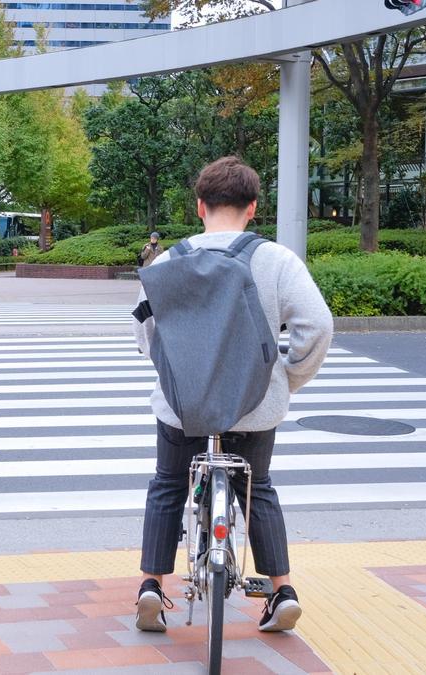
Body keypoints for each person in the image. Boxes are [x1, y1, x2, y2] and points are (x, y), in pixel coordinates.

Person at [132, 156, 333, 634]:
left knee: (167, 483)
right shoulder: (276, 259)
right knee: (256, 488)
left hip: (184, 407)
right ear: (253, 208)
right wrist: (286, 377)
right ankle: (281, 589)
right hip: (256, 404)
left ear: (200, 206)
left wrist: (174, 372)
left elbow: (145, 329)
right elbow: (318, 325)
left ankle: (150, 585)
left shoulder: (168, 259)